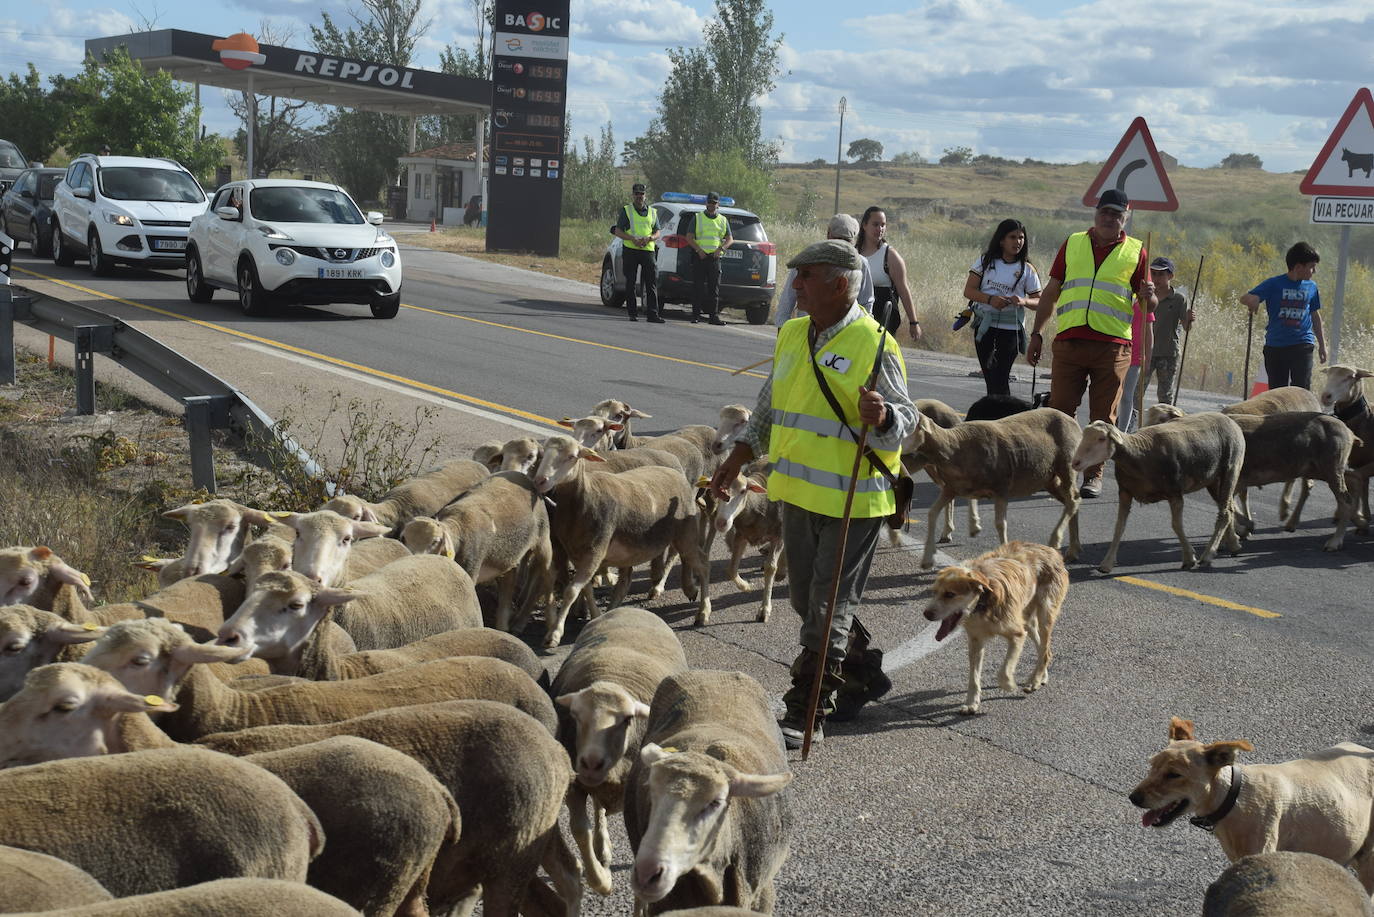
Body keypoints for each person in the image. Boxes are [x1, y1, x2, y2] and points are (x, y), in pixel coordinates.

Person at [710, 239, 916, 750]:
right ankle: (862, 671)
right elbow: (768, 407)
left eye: (806, 276)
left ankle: (808, 709)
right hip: (798, 496)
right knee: (807, 599)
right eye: (796, 275)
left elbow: (907, 424)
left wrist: (884, 416)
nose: (795, 285)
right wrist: (737, 457)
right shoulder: (793, 335)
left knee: (827, 605)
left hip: (856, 499)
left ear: (841, 284)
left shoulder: (875, 345)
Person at [1027, 188, 1156, 498]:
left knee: (1102, 417)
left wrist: (1150, 297)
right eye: (1105, 212)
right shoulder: (1073, 244)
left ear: (1126, 218)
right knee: (1059, 412)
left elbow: (1146, 306)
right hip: (1070, 342)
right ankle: (1058, 471)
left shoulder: (1137, 251)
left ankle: (1093, 476)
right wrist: (1037, 332)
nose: (1110, 218)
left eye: (1117, 214)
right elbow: (1051, 293)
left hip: (1111, 347)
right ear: (1095, 214)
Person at [961, 219, 1042, 395]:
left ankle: (1000, 418)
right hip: (985, 328)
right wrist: (990, 300)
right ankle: (997, 418)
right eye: (1012, 237)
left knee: (1000, 378)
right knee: (991, 379)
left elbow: (1039, 302)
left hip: (1011, 331)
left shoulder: (1027, 269)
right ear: (1001, 240)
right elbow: (968, 291)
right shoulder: (985, 262)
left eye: (1021, 237)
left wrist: (1023, 301)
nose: (1018, 241)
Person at [1240, 242, 1327, 390]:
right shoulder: (1274, 284)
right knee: (1277, 393)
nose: (1314, 271)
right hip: (1276, 346)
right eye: (1312, 267)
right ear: (1298, 267)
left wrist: (1322, 346)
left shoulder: (1311, 287)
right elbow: (1245, 298)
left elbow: (1315, 315)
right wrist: (1253, 300)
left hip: (1302, 345)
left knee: (1301, 391)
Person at [774, 213, 875, 327]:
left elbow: (866, 303)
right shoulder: (809, 259)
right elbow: (788, 299)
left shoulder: (860, 263)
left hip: (844, 332)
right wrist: (782, 328)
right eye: (837, 240)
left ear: (828, 233)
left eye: (845, 241)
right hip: (808, 329)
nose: (839, 246)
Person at [855, 206, 922, 342]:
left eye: (883, 225)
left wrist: (913, 323)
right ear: (864, 225)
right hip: (857, 319)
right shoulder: (853, 253)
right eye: (875, 224)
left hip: (883, 320)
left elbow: (903, 290)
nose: (880, 229)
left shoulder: (890, 255)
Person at [1143, 257, 1194, 404]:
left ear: (1170, 276)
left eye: (1161, 274)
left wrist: (1189, 319)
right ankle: (1128, 424)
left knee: (1165, 396)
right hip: (1147, 352)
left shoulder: (1179, 299)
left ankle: (1165, 425)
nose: (1156, 278)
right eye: (1154, 274)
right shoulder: (1146, 297)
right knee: (1137, 392)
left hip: (1168, 353)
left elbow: (1186, 327)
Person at [611, 183, 663, 323]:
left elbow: (658, 231)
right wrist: (632, 239)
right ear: (633, 195)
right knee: (631, 282)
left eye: (642, 194)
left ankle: (653, 314)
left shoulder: (652, 212)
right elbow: (618, 231)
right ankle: (632, 313)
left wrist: (650, 238)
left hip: (647, 250)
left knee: (651, 283)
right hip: (631, 250)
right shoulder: (627, 211)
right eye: (637, 194)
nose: (639, 196)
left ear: (645, 196)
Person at [686, 191, 732, 325]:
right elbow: (689, 237)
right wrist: (698, 250)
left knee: (714, 289)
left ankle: (713, 317)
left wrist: (721, 249)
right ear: (706, 203)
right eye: (710, 202)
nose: (712, 205)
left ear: (718, 205)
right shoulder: (697, 217)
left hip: (714, 258)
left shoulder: (723, 220)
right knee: (697, 288)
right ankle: (695, 316)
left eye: (714, 203)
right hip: (700, 257)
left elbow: (730, 239)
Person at [1116, 296, 1154, 432]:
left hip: (1135, 357)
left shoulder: (1143, 305)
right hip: (1117, 353)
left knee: (1127, 396)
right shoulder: (1119, 301)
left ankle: (1122, 431)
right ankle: (1110, 425)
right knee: (1113, 393)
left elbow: (1149, 333)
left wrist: (1148, 358)